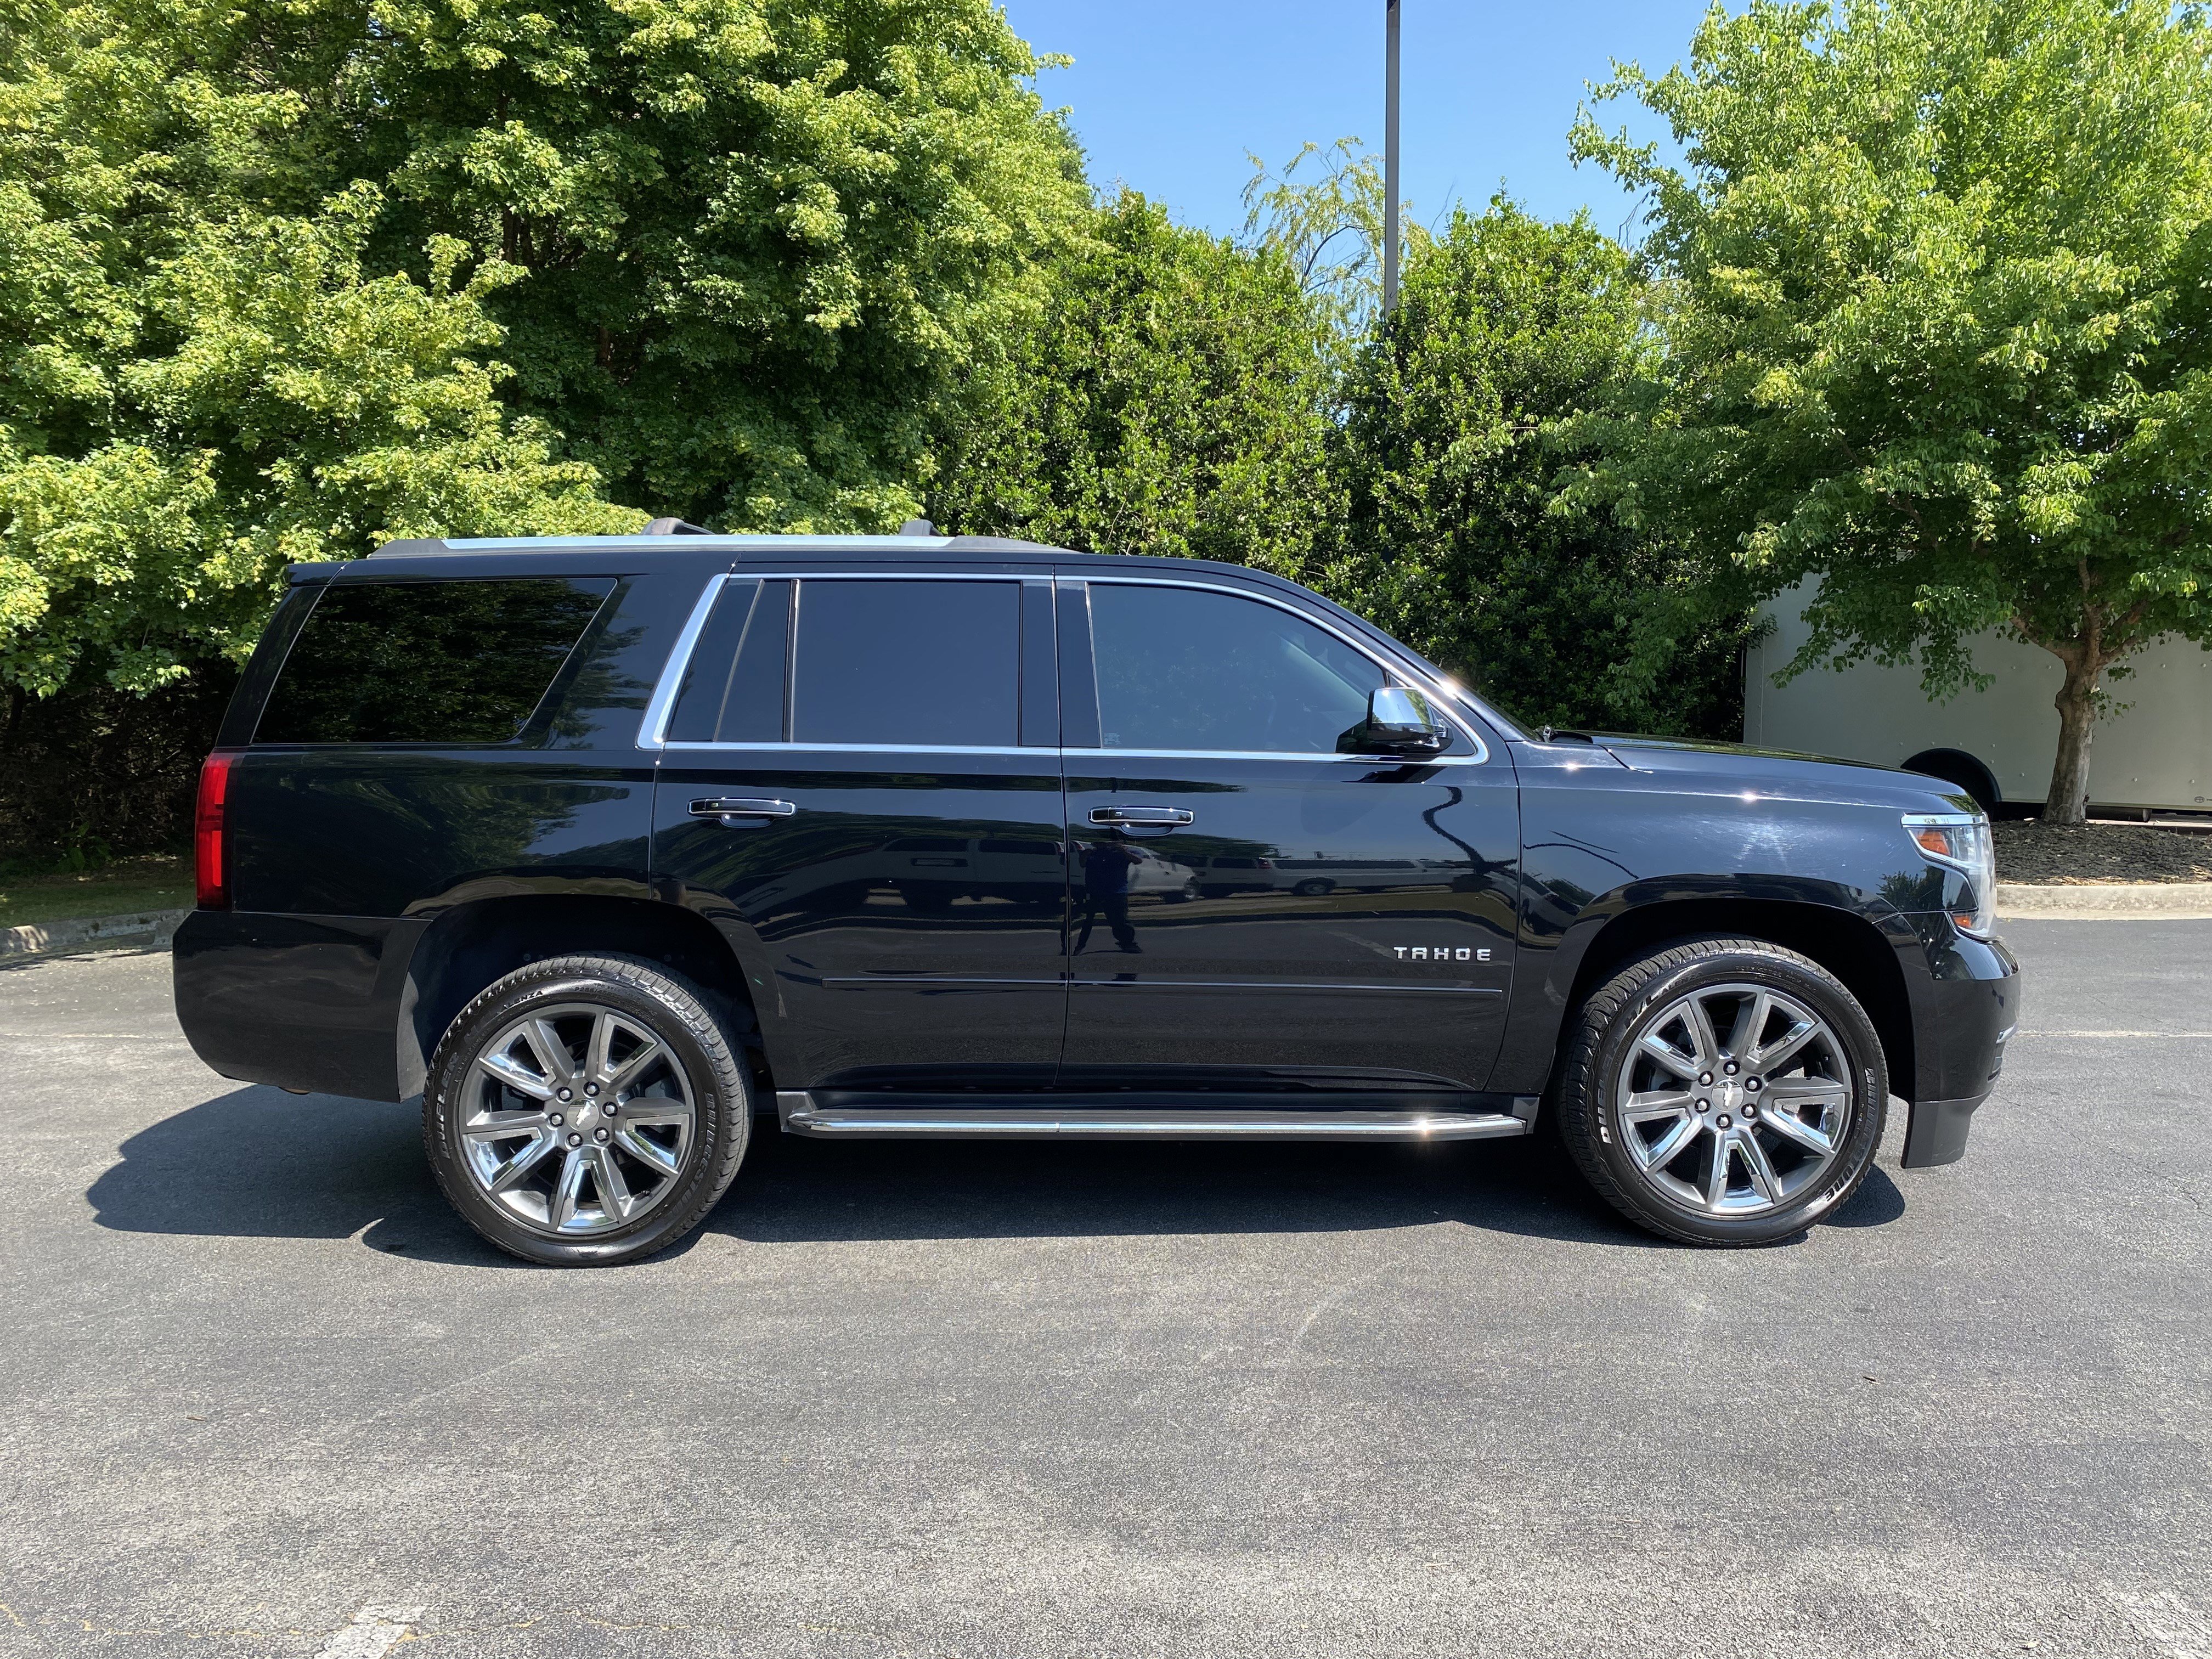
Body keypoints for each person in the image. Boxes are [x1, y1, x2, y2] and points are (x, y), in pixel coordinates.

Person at [1075, 833, 1144, 953]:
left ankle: (1128, 943)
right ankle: (1079, 946)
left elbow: (1138, 860)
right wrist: (1085, 855)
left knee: (1119, 920)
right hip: (1094, 891)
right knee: (1087, 920)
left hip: (1116, 892)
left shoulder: (1121, 853)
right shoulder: (1094, 853)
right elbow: (1082, 864)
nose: (1105, 846)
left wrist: (1122, 851)